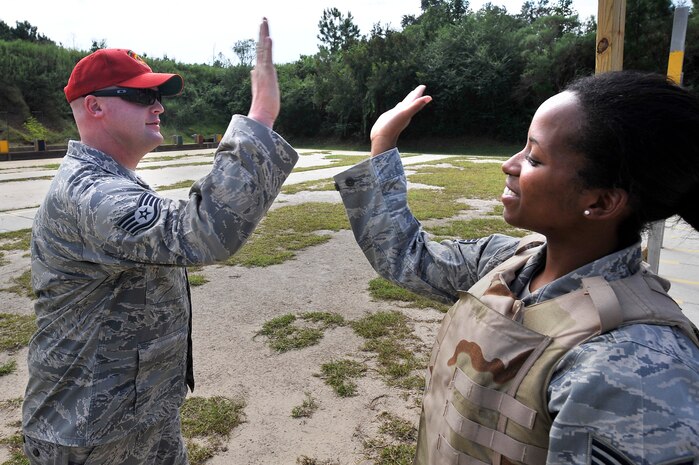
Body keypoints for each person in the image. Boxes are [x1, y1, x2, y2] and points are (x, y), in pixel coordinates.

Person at [334, 72, 699, 464]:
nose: (510, 165)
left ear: (603, 201)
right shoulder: (509, 264)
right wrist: (382, 145)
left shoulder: (634, 367)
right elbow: (407, 256)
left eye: (534, 158)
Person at [23, 18, 297, 465]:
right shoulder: (90, 194)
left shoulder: (113, 181)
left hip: (136, 415)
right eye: (141, 95)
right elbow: (204, 228)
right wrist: (261, 115)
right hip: (90, 435)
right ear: (94, 107)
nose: (158, 107)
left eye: (158, 97)